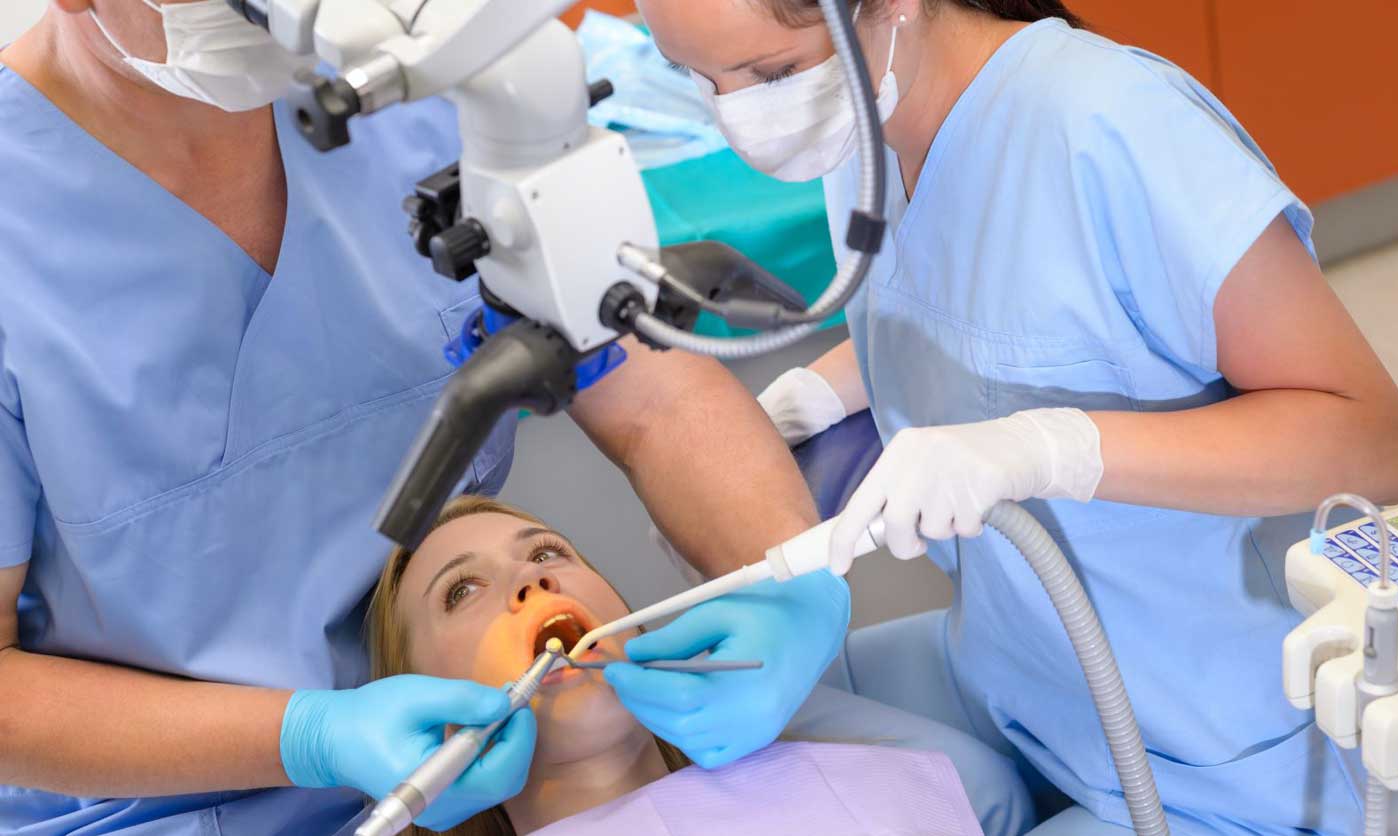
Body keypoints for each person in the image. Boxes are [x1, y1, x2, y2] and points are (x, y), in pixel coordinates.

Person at [0, 2, 847, 833]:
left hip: (499, 778)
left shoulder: (415, 82)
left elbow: (653, 397)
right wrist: (313, 741)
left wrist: (789, 579)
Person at [622, 2, 1398, 834]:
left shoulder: (1109, 127)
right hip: (1015, 672)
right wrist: (824, 394)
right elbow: (1009, 316)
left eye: (772, 75)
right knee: (736, 719)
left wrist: (1050, 449)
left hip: (1222, 750)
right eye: (698, 77)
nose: (742, 117)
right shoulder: (866, 125)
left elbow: (1374, 439)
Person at [368, 494, 988, 836]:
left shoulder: (871, 786)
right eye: (461, 591)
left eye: (546, 552)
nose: (533, 579)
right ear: (424, 720)